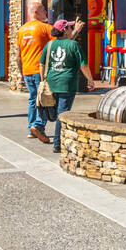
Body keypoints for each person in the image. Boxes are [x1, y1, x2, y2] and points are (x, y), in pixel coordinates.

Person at [40, 18, 96, 153]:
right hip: (67, 83)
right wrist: (90, 80)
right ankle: (57, 144)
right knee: (63, 113)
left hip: (52, 82)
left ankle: (52, 129)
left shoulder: (49, 45)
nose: (71, 30)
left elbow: (41, 64)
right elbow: (84, 65)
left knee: (56, 111)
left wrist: (43, 81)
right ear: (64, 30)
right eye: (70, 28)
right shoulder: (73, 45)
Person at [17, 2, 55, 142]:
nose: (46, 12)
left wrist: (21, 73)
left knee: (33, 99)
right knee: (43, 100)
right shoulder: (45, 28)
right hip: (40, 71)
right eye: (44, 10)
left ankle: (30, 129)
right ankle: (38, 127)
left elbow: (18, 56)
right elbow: (62, 43)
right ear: (36, 13)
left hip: (27, 71)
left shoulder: (22, 30)